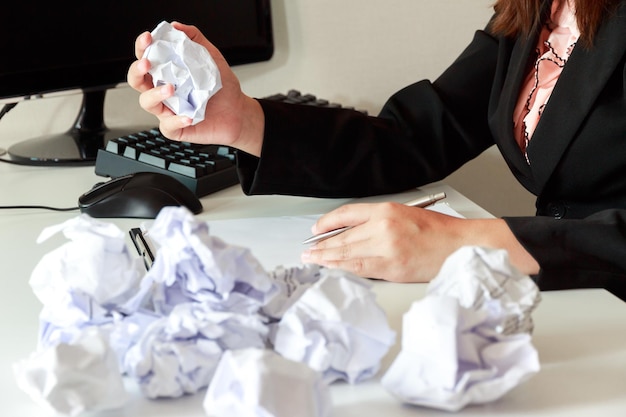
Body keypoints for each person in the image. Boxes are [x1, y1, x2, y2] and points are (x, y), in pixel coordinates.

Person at [127, 0, 626, 300]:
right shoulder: (537, 11)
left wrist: (465, 242)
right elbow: (415, 138)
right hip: (574, 300)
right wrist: (243, 119)